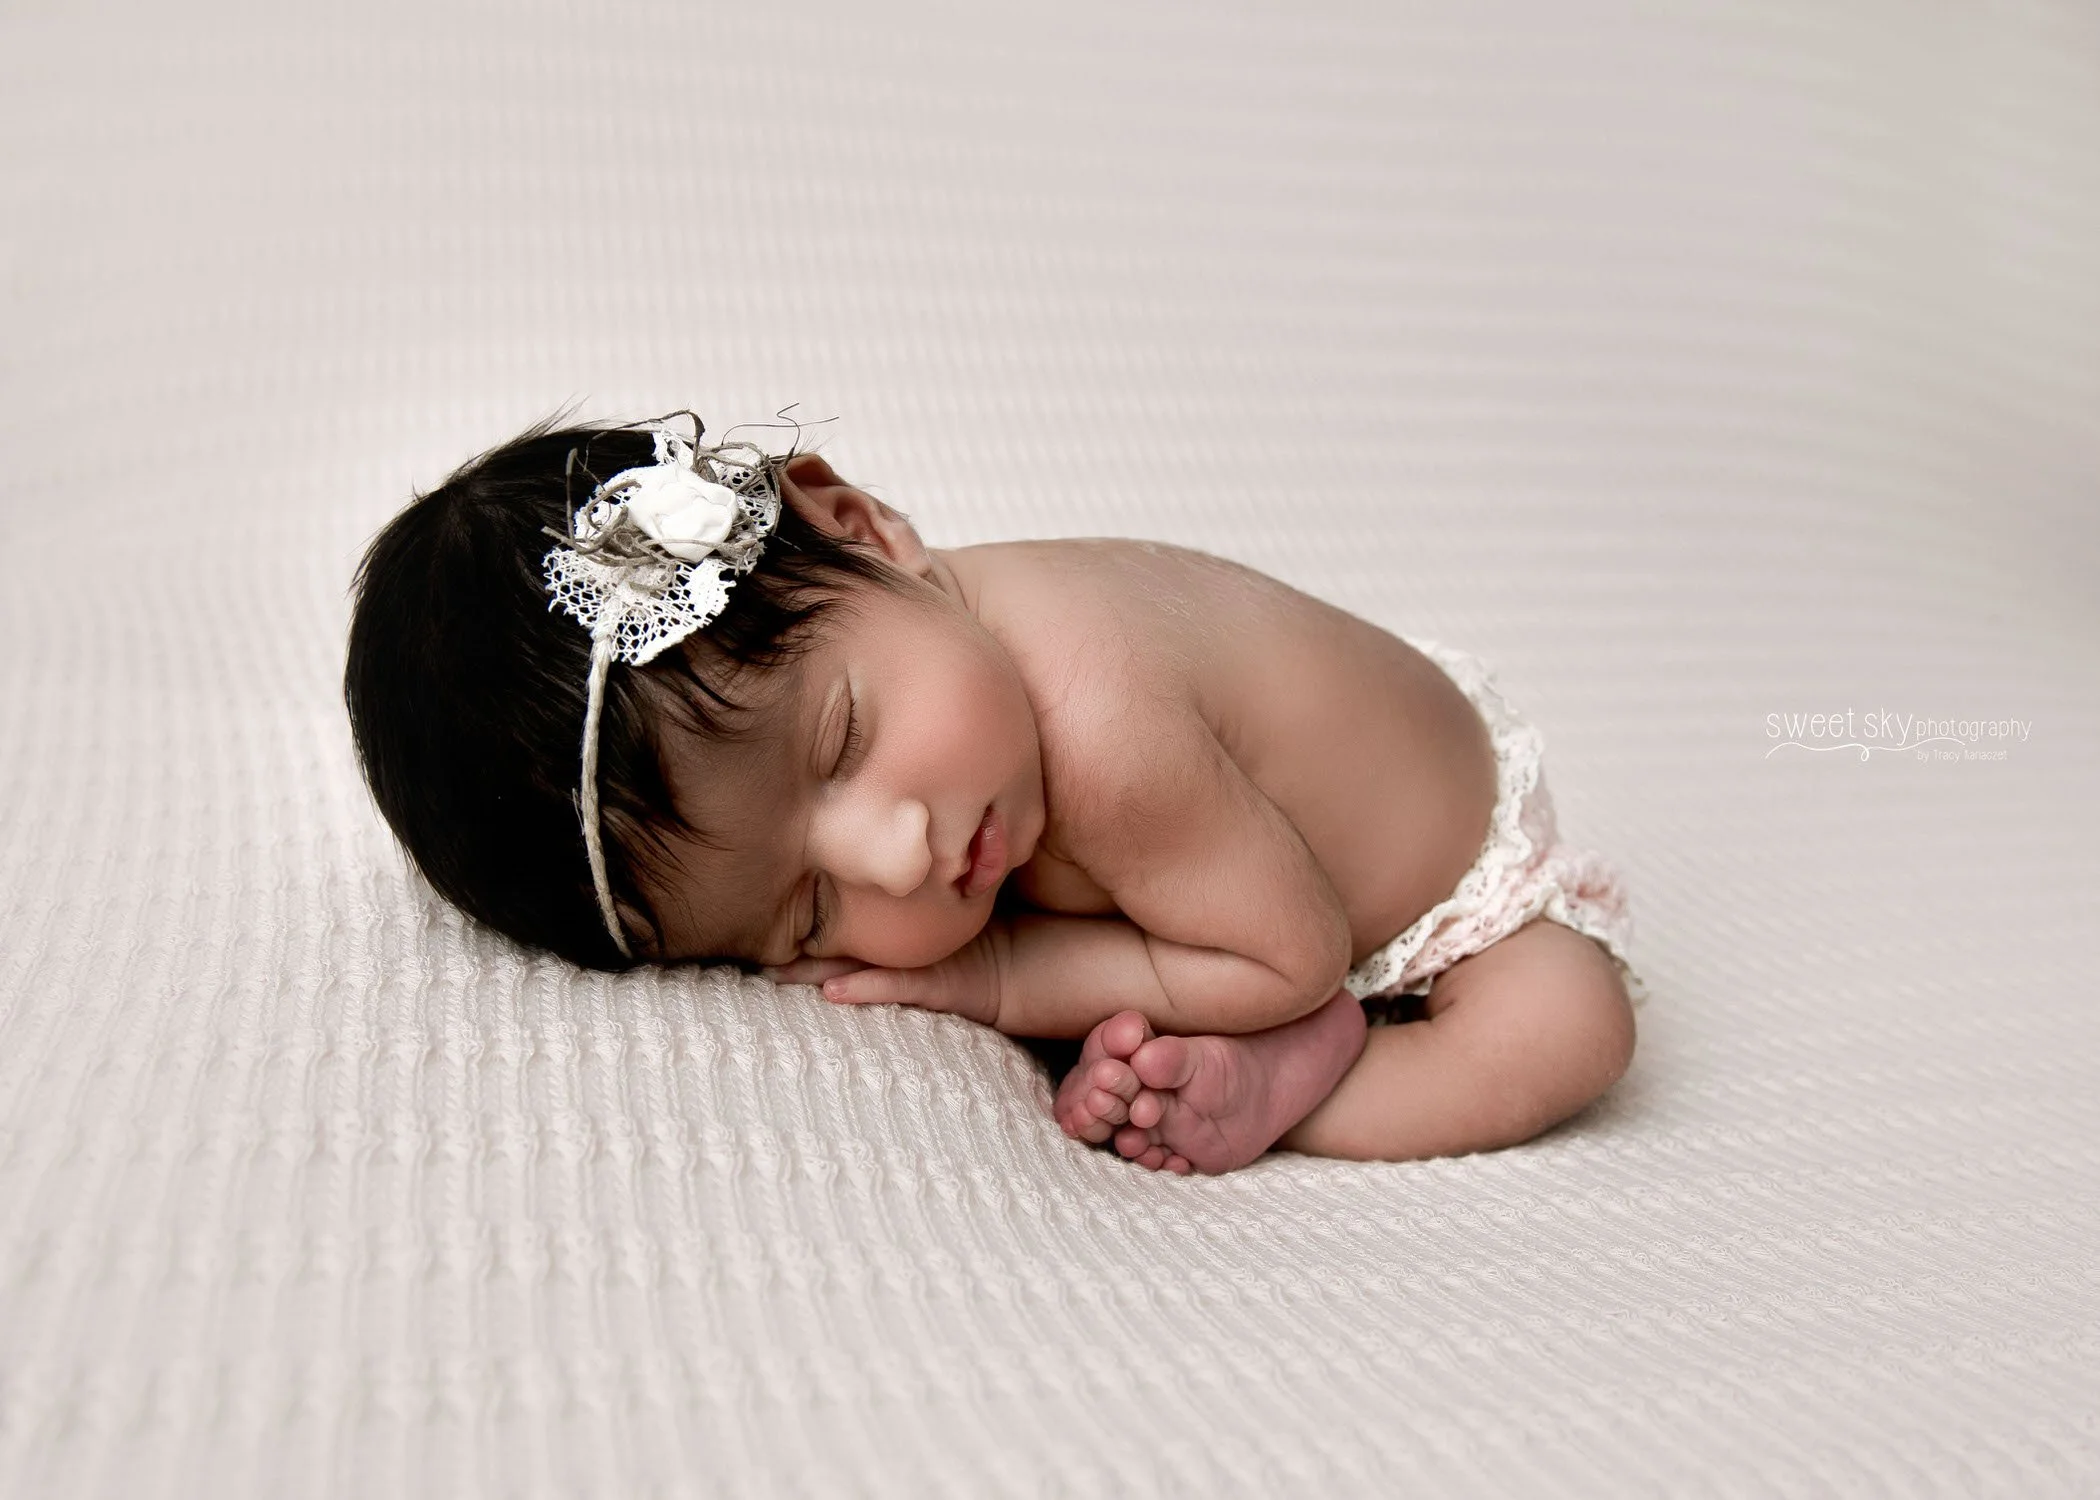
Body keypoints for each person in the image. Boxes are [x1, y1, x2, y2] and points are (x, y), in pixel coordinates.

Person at [346, 414, 1641, 1174]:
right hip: (1239, 889)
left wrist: (1004, 984)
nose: (896, 857)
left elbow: (1295, 950)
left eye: (844, 741)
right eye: (806, 913)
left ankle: (1307, 1077)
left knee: (1568, 1029)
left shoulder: (1099, 734)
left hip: (1420, 874)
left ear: (859, 524)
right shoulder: (947, 707)